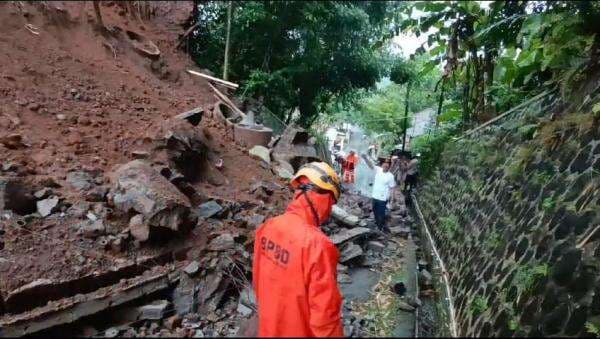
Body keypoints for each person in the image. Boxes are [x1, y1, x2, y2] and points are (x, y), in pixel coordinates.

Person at [253, 162, 343, 337]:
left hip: (268, 329)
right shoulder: (318, 245)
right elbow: (325, 317)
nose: (329, 210)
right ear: (323, 197)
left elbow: (258, 282)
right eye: (331, 203)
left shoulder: (268, 227)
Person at [362, 156, 397, 233]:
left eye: (387, 165)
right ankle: (378, 225)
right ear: (382, 165)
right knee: (374, 211)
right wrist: (365, 158)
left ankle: (380, 228)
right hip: (375, 196)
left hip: (383, 199)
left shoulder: (390, 176)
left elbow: (392, 189)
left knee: (381, 214)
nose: (386, 166)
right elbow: (370, 165)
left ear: (389, 167)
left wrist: (391, 201)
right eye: (385, 164)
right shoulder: (378, 170)